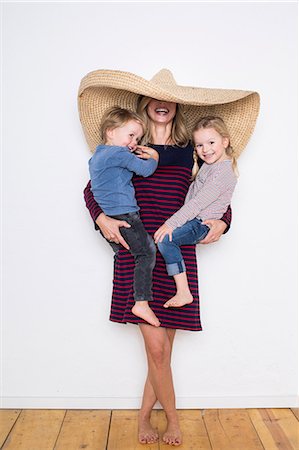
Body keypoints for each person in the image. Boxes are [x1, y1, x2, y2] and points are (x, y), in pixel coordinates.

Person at [79, 68, 259, 446]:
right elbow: (92, 187)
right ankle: (172, 421)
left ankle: (145, 415)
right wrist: (100, 216)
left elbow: (215, 193)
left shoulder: (189, 153)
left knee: (162, 352)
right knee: (157, 348)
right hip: (138, 250)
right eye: (154, 97)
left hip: (176, 254)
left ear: (176, 107)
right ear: (145, 105)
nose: (162, 103)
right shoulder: (126, 150)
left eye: (169, 98)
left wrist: (224, 223)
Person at [154, 116, 238, 309]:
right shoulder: (209, 166)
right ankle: (181, 289)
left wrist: (171, 223)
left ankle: (183, 291)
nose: (205, 149)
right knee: (165, 241)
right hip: (193, 219)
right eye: (199, 145)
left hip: (200, 223)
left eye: (211, 142)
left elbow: (198, 203)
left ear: (225, 141)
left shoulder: (222, 172)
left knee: (166, 239)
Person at [89, 106, 160, 327]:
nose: (134, 143)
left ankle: (127, 299)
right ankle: (141, 303)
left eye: (137, 138)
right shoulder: (119, 154)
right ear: (111, 131)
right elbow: (146, 170)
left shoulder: (96, 157)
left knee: (124, 257)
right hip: (125, 215)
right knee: (147, 252)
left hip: (107, 220)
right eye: (131, 135)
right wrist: (155, 157)